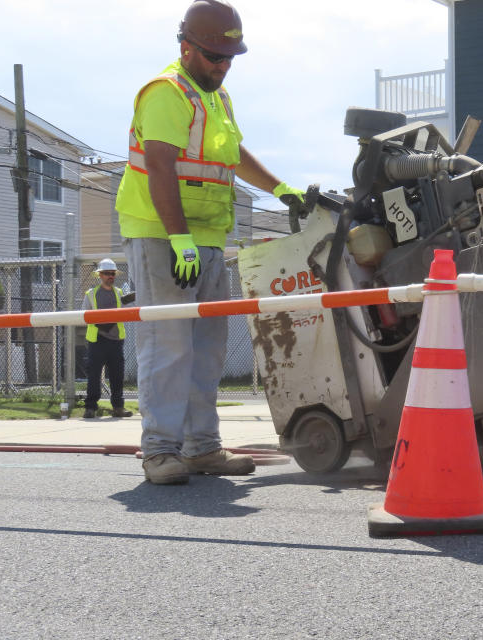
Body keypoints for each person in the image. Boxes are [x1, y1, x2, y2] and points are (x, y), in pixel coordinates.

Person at [114, 0, 306, 484]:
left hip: (207, 236)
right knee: (168, 345)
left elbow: (231, 153)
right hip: (163, 234)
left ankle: (202, 447)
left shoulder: (216, 98)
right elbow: (160, 167)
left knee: (207, 347)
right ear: (186, 48)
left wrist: (280, 188)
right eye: (214, 57)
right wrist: (179, 240)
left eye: (230, 59)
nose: (223, 66)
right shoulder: (166, 93)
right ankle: (160, 451)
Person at [82, 258, 133, 419]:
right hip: (97, 340)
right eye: (107, 273)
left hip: (116, 341)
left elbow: (127, 311)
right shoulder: (91, 294)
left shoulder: (119, 293)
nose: (111, 276)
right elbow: (84, 315)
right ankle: (90, 408)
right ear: (100, 275)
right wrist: (102, 324)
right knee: (94, 375)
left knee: (117, 375)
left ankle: (118, 407)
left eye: (112, 273)